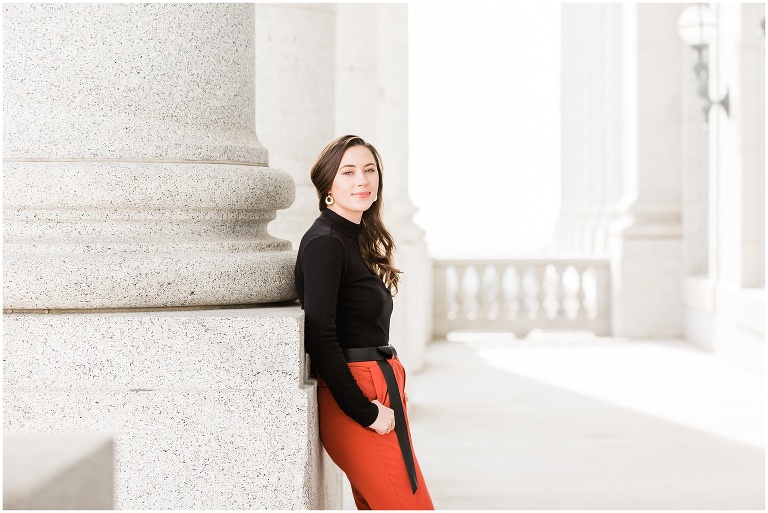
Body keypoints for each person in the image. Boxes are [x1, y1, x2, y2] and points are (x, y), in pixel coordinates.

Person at [294, 135, 434, 510]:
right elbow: (320, 334)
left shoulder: (352, 238)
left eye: (369, 170)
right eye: (349, 172)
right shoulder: (325, 242)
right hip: (359, 396)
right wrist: (366, 411)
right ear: (328, 185)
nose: (362, 181)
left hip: (380, 385)